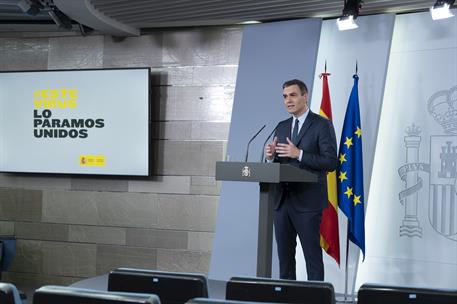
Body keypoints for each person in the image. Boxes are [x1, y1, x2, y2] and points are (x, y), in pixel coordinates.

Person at [265, 79, 337, 281]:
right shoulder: (281, 126)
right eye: (285, 96)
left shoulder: (322, 125)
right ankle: (287, 298)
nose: (288, 100)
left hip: (308, 203)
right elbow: (280, 161)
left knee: (312, 260)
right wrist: (271, 155)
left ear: (305, 96)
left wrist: (300, 154)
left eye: (293, 95)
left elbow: (331, 162)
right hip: (282, 202)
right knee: (285, 260)